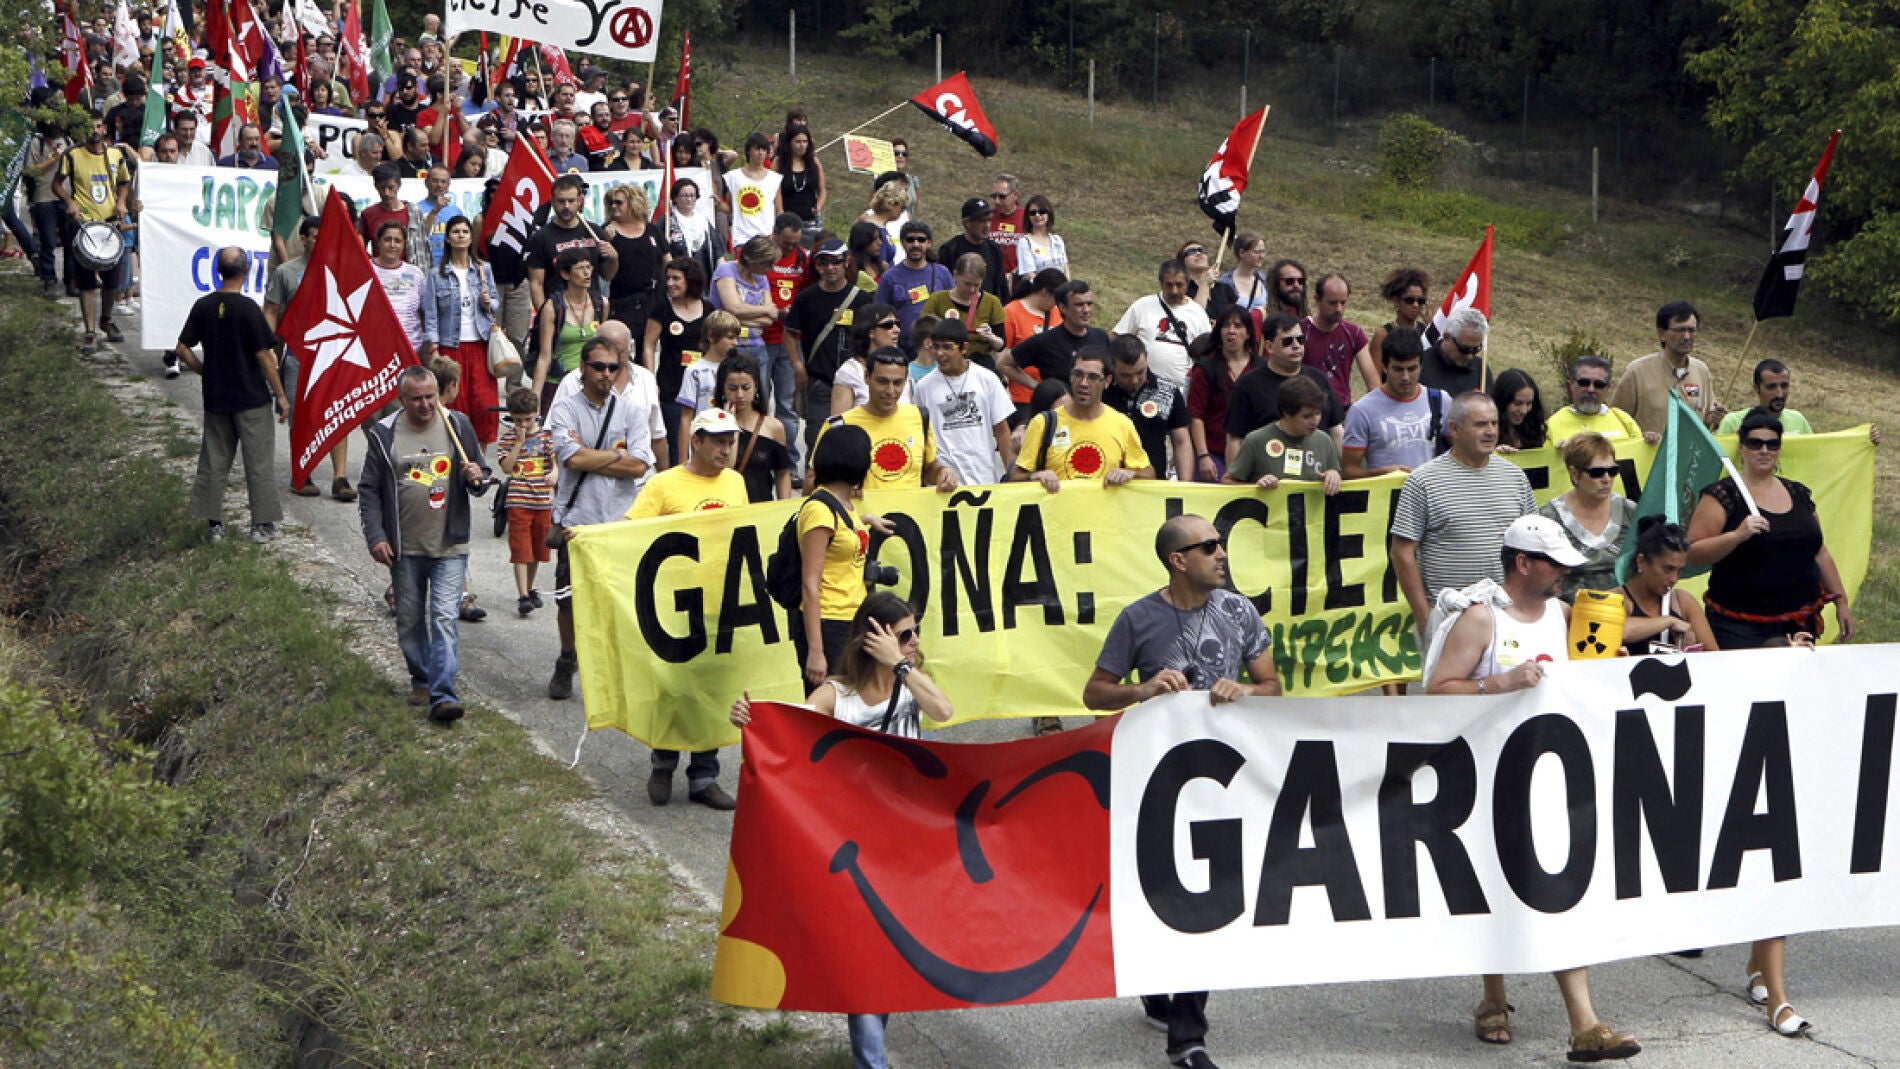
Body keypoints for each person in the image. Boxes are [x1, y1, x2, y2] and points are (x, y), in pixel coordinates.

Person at [1423, 514, 1641, 1064]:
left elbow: (1591, 655)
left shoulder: (1561, 614)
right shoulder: (1481, 620)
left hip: (1546, 776)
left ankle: (1585, 1023)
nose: (1565, 574)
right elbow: (1436, 691)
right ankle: (1493, 997)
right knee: (1491, 888)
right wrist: (1499, 682)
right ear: (1523, 563)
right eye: (1555, 564)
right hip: (1483, 777)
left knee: (1557, 889)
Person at [1082, 513, 1281, 1069]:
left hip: (1222, 783)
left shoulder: (1240, 611)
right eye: (1209, 546)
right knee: (1158, 890)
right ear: (1178, 560)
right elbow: (1095, 692)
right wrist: (1143, 689)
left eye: (1221, 545)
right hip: (1156, 782)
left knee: (1208, 897)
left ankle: (1188, 1037)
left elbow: (1273, 686)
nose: (1222, 554)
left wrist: (1242, 689)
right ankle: (1156, 984)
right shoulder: (1138, 619)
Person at [728, 591, 952, 1069]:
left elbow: (944, 712)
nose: (915, 642)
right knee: (865, 953)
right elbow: (789, 733)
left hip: (909, 842)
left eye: (916, 633)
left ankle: (870, 1049)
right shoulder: (837, 695)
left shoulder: (911, 681)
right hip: (858, 845)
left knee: (891, 951)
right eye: (905, 634)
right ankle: (871, 1061)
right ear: (874, 638)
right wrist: (750, 721)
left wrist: (903, 667)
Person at [625, 406, 747, 810]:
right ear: (696, 441)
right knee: (673, 689)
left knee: (714, 690)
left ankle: (704, 776)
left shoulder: (736, 483)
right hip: (673, 609)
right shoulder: (663, 485)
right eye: (718, 441)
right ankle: (663, 763)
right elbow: (630, 533)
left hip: (721, 604)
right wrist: (587, 537)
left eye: (731, 441)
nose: (726, 449)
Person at [359, 365, 491, 723]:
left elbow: (480, 476)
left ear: (439, 393)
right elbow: (369, 489)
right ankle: (421, 677)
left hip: (449, 545)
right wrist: (376, 536)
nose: (425, 404)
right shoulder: (384, 434)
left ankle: (443, 695)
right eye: (416, 398)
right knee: (411, 620)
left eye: (430, 396)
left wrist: (477, 479)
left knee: (445, 617)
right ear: (402, 399)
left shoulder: (457, 425)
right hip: (404, 548)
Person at [1689, 409, 1854, 651]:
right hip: (1738, 627)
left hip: (1799, 623)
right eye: (1755, 444)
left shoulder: (1798, 494)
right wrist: (1736, 536)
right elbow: (1693, 553)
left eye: (1772, 444)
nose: (1764, 450)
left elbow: (1819, 552)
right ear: (1742, 447)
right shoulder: (1722, 496)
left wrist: (1841, 602)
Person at [546, 337, 655, 701]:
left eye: (613, 367)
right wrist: (615, 454)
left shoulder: (631, 412)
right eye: (599, 366)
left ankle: (609, 666)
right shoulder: (564, 409)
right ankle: (567, 656)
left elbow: (639, 465)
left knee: (613, 600)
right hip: (576, 520)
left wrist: (595, 455)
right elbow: (572, 460)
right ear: (583, 368)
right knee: (568, 599)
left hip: (617, 521)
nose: (607, 374)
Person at [1390, 392, 1535, 644]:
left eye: (1494, 423)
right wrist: (1425, 618)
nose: (1490, 431)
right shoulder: (1423, 481)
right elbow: (1402, 553)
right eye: (1480, 424)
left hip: (1507, 618)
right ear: (1454, 429)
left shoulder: (1516, 478)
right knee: (1450, 686)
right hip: (1449, 619)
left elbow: (1532, 545)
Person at [174, 246, 291, 544]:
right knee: (258, 461)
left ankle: (214, 524)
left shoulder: (203, 305)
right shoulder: (248, 309)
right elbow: (264, 355)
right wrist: (280, 394)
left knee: (214, 459)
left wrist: (202, 369)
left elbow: (182, 349)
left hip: (216, 396)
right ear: (246, 270)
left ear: (217, 270)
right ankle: (261, 525)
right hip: (251, 398)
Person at [261, 214, 355, 501]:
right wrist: (269, 349)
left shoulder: (340, 268)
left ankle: (340, 477)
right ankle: (302, 472)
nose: (321, 240)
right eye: (315, 236)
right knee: (300, 415)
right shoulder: (286, 273)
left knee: (338, 412)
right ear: (303, 239)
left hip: (334, 353)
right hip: (297, 355)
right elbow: (271, 311)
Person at [793, 424, 884, 687]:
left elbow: (840, 539)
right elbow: (810, 584)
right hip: (830, 623)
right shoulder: (820, 510)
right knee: (834, 709)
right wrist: (816, 651)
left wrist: (866, 521)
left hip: (852, 617)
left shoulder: (844, 505)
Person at [814, 348, 958, 491]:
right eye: (882, 382)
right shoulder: (839, 426)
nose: (890, 391)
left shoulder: (919, 417)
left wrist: (943, 473)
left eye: (897, 383)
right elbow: (812, 484)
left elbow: (928, 468)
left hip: (910, 513)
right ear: (866, 377)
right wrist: (843, 488)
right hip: (860, 514)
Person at [1010, 347, 1154, 490]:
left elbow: (1149, 474)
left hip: (1106, 512)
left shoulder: (1122, 424)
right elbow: (1014, 478)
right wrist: (1035, 476)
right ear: (1070, 377)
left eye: (1093, 377)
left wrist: (1130, 474)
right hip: (1057, 512)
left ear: (1107, 381)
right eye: (1078, 374)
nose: (1084, 383)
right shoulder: (1042, 423)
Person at [1222, 312, 1343, 468]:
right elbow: (1235, 439)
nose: (1296, 345)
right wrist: (1237, 484)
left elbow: (1336, 431)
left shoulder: (1318, 379)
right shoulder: (1248, 385)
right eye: (1287, 341)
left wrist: (1344, 476)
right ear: (1269, 347)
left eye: (1300, 340)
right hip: (1268, 479)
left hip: (1317, 475)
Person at [54, 116, 132, 349]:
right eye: (89, 127)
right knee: (87, 282)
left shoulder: (115, 155)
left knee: (111, 281)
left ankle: (106, 320)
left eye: (98, 126)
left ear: (105, 129)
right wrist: (69, 201)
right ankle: (89, 330)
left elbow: (124, 182)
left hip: (109, 225)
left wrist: (122, 201)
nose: (94, 131)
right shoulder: (72, 155)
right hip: (84, 225)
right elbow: (57, 184)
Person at [425, 215, 501, 445]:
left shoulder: (483, 269)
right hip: (451, 348)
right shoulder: (436, 274)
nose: (460, 235)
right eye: (455, 232)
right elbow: (431, 314)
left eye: (465, 232)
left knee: (484, 407)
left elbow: (496, 303)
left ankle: (481, 463)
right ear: (447, 238)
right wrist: (434, 348)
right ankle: (457, 463)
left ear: (471, 237)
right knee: (454, 407)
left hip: (480, 345)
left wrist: (489, 302)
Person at [913, 319, 1015, 485]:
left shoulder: (987, 379)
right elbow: (921, 437)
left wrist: (1012, 474)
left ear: (964, 348)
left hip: (983, 478)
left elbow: (1002, 431)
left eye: (947, 347)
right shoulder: (923, 386)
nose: (940, 353)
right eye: (936, 347)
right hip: (943, 484)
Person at [1536, 432, 1636, 599]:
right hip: (1569, 615)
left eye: (1613, 471)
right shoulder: (1549, 518)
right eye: (1597, 472)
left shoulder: (1631, 512)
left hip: (1625, 612)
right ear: (1575, 474)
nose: (1607, 479)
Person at [1340, 327, 1446, 480]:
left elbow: (1460, 450)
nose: (1405, 377)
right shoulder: (1362, 411)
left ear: (1421, 365)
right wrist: (1382, 473)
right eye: (1398, 369)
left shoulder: (1440, 400)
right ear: (1384, 367)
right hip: (1384, 499)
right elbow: (1349, 471)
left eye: (1412, 369)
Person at [1611, 301, 1725, 435]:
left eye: (1691, 330)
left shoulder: (1701, 371)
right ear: (1662, 334)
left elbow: (1706, 418)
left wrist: (1714, 419)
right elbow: (1616, 423)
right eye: (1680, 330)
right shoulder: (1637, 372)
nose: (1687, 337)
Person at [495, 388, 558, 617]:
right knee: (521, 549)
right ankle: (522, 594)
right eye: (518, 420)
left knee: (538, 549)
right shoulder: (508, 438)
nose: (523, 424)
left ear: (537, 414)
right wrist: (518, 443)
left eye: (528, 419)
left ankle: (530, 587)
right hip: (519, 500)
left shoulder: (546, 437)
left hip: (541, 501)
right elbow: (506, 467)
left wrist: (555, 474)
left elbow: (554, 462)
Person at [1225, 374, 1342, 495]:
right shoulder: (1256, 441)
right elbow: (1227, 482)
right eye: (1307, 416)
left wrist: (1334, 474)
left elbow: (1336, 476)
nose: (1315, 421)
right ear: (1287, 413)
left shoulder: (1324, 440)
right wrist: (1257, 486)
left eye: (1318, 413)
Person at [1618, 518, 1717, 655]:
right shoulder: (1615, 599)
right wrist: (1669, 622)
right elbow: (1618, 631)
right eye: (1668, 569)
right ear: (1641, 561)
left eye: (1679, 570)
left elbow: (1714, 655)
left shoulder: (1683, 602)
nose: (1674, 579)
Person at [1186, 306, 1262, 482]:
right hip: (1213, 453)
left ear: (1249, 333)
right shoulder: (1205, 368)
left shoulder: (1261, 368)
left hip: (1254, 454)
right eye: (1226, 326)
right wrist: (1203, 456)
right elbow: (1196, 415)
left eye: (1238, 326)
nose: (1232, 331)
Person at [646, 257, 710, 467]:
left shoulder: (708, 309)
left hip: (704, 388)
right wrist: (650, 381)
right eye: (668, 278)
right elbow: (648, 346)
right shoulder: (661, 309)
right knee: (676, 445)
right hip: (672, 387)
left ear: (690, 280)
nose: (670, 283)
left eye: (676, 278)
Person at [1105, 334, 1193, 480]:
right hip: (1108, 484)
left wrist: (1185, 486)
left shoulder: (1168, 391)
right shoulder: (1101, 391)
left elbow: (1181, 442)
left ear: (1146, 357)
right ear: (1112, 366)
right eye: (1125, 375)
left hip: (1153, 484)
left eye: (1140, 372)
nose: (1134, 380)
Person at [1001, 279, 1108, 399]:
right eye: (1079, 305)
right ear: (1062, 307)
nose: (1086, 310)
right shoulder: (1045, 341)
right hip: (1059, 411)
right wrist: (1039, 387)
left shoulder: (1101, 336)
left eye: (1089, 304)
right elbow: (1004, 363)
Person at [1113, 259, 1211, 389]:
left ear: (1187, 284)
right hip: (1144, 387)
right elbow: (1117, 338)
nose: (1174, 290)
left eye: (1179, 285)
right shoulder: (1142, 306)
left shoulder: (1198, 313)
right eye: (1169, 285)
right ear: (1161, 283)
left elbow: (1208, 353)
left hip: (1182, 390)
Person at [534, 248, 605, 410]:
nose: (587, 273)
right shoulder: (553, 307)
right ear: (565, 274)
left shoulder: (601, 304)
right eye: (580, 268)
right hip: (559, 383)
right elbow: (544, 356)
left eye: (589, 267)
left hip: (591, 383)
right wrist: (535, 397)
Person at [716, 354, 793, 502]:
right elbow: (727, 468)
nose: (740, 395)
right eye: (733, 388)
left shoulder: (773, 427)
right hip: (725, 507)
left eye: (746, 388)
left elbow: (782, 473)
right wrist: (730, 427)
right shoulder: (713, 424)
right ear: (723, 389)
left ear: (756, 387)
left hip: (760, 507)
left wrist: (785, 508)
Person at [920, 253, 1009, 371]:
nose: (971, 290)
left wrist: (990, 337)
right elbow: (923, 334)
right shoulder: (937, 300)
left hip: (979, 366)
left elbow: (1001, 345)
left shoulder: (992, 302)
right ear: (955, 275)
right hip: (943, 363)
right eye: (967, 284)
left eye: (977, 285)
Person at [875, 220, 952, 352]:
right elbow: (880, 314)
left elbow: (953, 307)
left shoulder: (942, 273)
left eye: (921, 240)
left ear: (929, 243)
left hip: (937, 347)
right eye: (910, 240)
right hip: (902, 349)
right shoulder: (889, 277)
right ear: (903, 242)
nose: (915, 244)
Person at [1303, 273, 1376, 407]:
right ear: (1317, 300)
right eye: (1332, 303)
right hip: (1308, 408)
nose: (1339, 309)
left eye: (1343, 302)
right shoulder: (1301, 331)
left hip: (1342, 410)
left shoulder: (1354, 333)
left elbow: (1373, 383)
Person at [1000, 268, 1068, 411]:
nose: (1057, 305)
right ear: (1044, 292)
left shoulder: (1058, 313)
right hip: (1022, 397)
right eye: (1056, 299)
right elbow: (1002, 355)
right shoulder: (1011, 312)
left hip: (1056, 398)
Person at [1546, 355, 1650, 446]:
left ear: (1607, 388)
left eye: (1599, 385)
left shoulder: (1623, 419)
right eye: (1584, 382)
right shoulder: (1552, 424)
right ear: (1572, 384)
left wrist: (1651, 444)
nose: (1591, 389)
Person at [678, 311, 743, 449]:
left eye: (737, 338)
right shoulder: (694, 371)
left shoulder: (737, 368)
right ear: (712, 337)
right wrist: (683, 459)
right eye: (730, 337)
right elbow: (686, 418)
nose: (735, 342)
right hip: (704, 440)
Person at [830, 303, 907, 415]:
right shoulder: (849, 372)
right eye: (888, 325)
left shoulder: (901, 367)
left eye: (897, 324)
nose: (896, 330)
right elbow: (838, 424)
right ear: (870, 332)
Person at [1716, 358, 1815, 436]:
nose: (1779, 394)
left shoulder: (1798, 419)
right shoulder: (1732, 422)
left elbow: (1815, 455)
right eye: (1771, 387)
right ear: (1756, 389)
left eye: (1784, 386)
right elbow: (1720, 460)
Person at [937, 198, 1009, 301]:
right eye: (981, 221)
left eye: (989, 220)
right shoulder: (950, 250)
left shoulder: (994, 249)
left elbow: (1001, 286)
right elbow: (942, 287)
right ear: (966, 223)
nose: (987, 225)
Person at [723, 132, 782, 250]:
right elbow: (729, 207)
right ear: (749, 151)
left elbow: (779, 209)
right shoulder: (733, 177)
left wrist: (778, 234)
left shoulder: (774, 178)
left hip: (766, 237)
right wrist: (718, 205)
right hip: (742, 237)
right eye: (757, 149)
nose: (760, 153)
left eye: (764, 150)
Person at [1421, 306, 1493, 396]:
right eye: (1464, 349)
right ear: (1446, 337)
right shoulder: (1421, 366)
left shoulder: (1482, 370)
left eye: (1476, 350)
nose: (1469, 356)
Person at [1368, 267, 1430, 370]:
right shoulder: (1382, 335)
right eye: (1409, 300)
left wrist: (1431, 328)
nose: (1415, 305)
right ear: (1396, 300)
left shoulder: (1426, 331)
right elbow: (1375, 379)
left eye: (1420, 301)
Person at [665, 177, 724, 280]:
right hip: (677, 280)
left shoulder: (704, 221)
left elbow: (718, 253)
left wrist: (723, 276)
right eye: (684, 195)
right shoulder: (667, 222)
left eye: (692, 195)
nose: (689, 199)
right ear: (675, 198)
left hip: (704, 280)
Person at [1207, 232, 1271, 319]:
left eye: (1263, 251)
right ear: (1242, 253)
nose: (1262, 256)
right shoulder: (1224, 283)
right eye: (1257, 252)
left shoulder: (1265, 280)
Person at [776, 122, 825, 228]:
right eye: (798, 142)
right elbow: (776, 190)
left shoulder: (814, 162)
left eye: (805, 142)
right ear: (790, 142)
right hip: (787, 219)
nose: (802, 145)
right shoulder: (778, 162)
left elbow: (822, 189)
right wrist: (780, 211)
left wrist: (819, 206)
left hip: (810, 219)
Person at [1490, 368, 1548, 453]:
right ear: (1503, 401)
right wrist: (1494, 455)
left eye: (1528, 404)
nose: (1524, 411)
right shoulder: (1488, 432)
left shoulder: (1533, 429)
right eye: (1517, 403)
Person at [1014, 194, 1067, 282]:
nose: (1037, 215)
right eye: (1033, 213)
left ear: (1049, 213)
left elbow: (1065, 268)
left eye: (1042, 211)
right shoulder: (1025, 242)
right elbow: (1029, 275)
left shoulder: (1058, 240)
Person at [986, 173, 1027, 276]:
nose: (997, 201)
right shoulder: (987, 217)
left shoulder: (1027, 218)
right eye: (994, 196)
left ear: (1015, 195)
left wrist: (1013, 274)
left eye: (1002, 197)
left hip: (1017, 278)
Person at [1176, 239, 1216, 307]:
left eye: (1202, 250)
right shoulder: (1179, 289)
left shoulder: (1224, 288)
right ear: (1182, 262)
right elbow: (1195, 315)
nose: (1198, 253)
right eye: (1191, 251)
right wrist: (1204, 283)